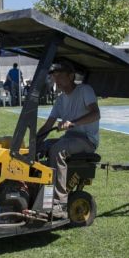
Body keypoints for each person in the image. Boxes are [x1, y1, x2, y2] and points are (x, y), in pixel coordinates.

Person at [37, 60, 100, 214]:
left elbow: (95, 114)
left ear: (71, 76)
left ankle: (59, 204)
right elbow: (47, 125)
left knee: (57, 150)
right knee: (42, 147)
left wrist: (72, 123)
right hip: (70, 138)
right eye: (54, 77)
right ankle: (40, 194)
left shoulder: (84, 90)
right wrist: (33, 142)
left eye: (59, 76)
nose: (56, 80)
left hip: (86, 140)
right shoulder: (60, 100)